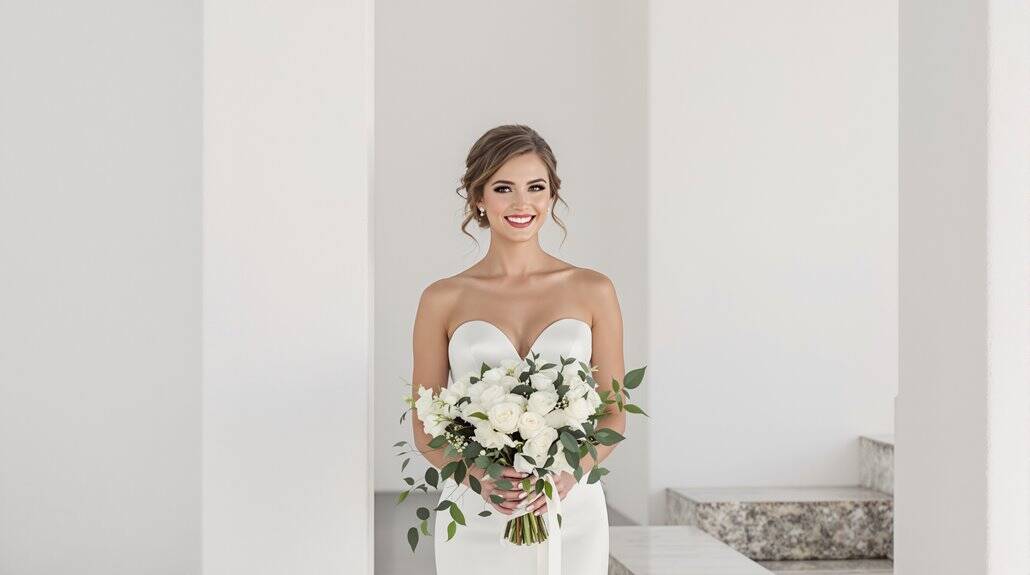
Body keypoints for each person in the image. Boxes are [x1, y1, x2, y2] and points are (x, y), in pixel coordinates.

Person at [410, 124, 626, 574]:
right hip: (478, 506)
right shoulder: (441, 298)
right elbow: (425, 425)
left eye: (536, 187)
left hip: (571, 503)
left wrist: (569, 471)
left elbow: (614, 412)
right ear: (478, 198)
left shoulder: (594, 290)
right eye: (503, 187)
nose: (521, 203)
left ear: (552, 196)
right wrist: (479, 479)